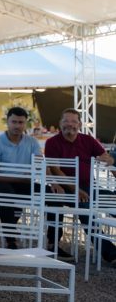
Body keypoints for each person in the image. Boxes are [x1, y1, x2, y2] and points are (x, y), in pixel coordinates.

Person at [45, 108, 116, 265]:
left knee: (111, 201)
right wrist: (75, 190)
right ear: (60, 123)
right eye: (66, 121)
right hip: (66, 187)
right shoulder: (52, 142)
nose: (69, 124)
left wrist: (108, 160)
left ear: (80, 124)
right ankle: (110, 253)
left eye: (73, 121)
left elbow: (105, 157)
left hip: (90, 186)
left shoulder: (88, 140)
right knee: (85, 208)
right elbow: (55, 169)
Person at [0, 107, 45, 251]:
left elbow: (39, 165)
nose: (17, 126)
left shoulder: (32, 142)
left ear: (25, 123)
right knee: (7, 193)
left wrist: (38, 169)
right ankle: (11, 238)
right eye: (14, 122)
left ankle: (52, 240)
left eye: (21, 122)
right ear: (7, 122)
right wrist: (21, 178)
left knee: (48, 193)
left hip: (24, 184)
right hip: (1, 184)